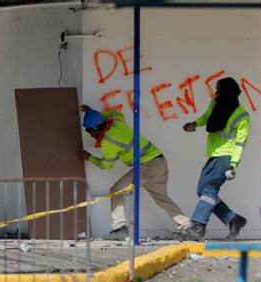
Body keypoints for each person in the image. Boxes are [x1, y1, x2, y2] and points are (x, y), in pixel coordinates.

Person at [78, 105, 190, 240]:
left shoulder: (108, 141)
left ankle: (119, 229)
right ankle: (187, 226)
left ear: (94, 129)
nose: (90, 135)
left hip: (145, 167)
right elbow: (116, 113)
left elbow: (106, 165)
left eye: (89, 132)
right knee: (162, 199)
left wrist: (89, 157)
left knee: (116, 191)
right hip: (160, 162)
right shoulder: (118, 122)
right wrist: (93, 112)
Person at [181, 77, 250, 241]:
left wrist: (233, 165)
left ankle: (198, 226)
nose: (216, 92)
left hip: (225, 157)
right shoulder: (216, 103)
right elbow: (207, 116)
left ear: (226, 91)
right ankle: (233, 219)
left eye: (218, 89)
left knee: (208, 189)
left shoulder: (242, 116)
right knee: (203, 190)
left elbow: (240, 143)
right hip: (214, 155)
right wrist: (195, 124)